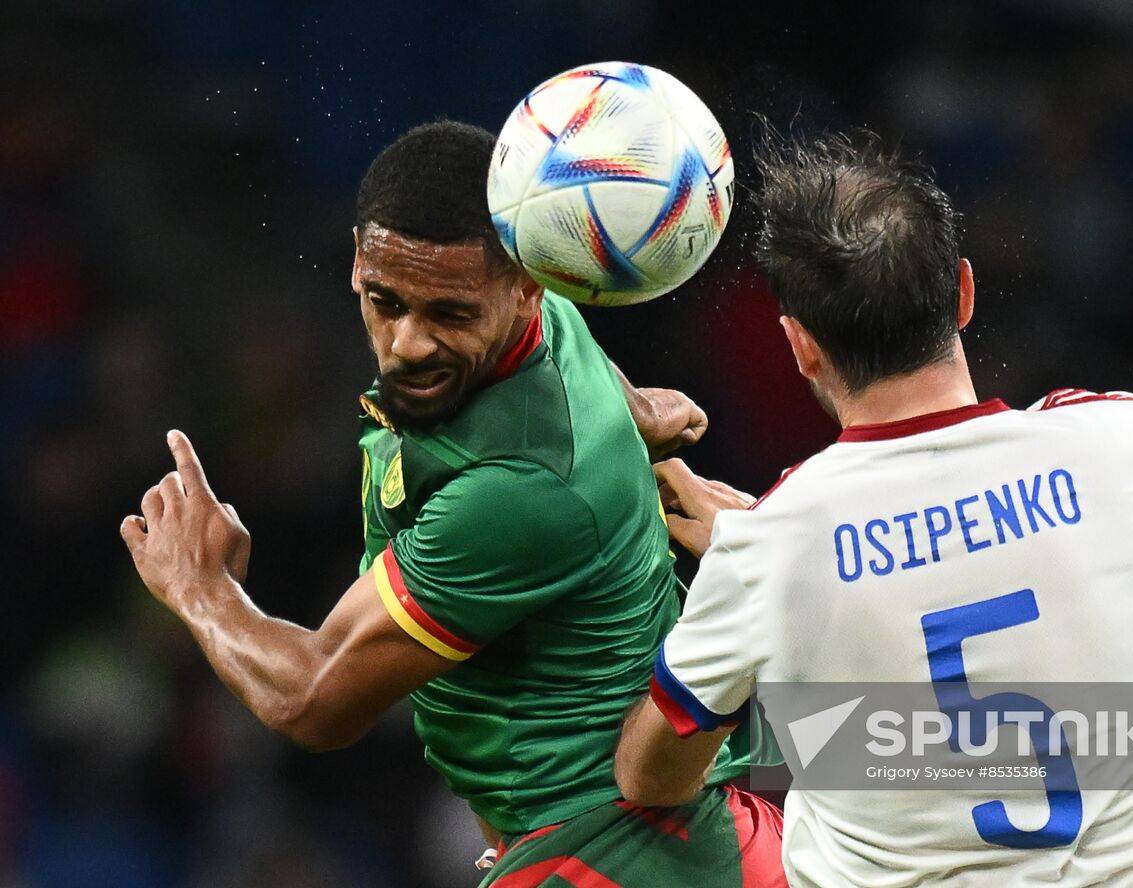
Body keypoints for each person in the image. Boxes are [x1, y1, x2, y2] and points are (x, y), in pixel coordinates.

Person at [121, 120, 784, 887]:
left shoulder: (516, 492)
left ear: (527, 286)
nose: (407, 343)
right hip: (670, 839)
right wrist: (637, 415)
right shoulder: (547, 322)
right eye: (384, 300)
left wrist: (201, 589)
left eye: (449, 315)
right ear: (356, 262)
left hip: (613, 857)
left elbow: (310, 700)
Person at [614, 131, 1133, 886]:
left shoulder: (776, 547)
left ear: (800, 346)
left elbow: (650, 778)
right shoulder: (1128, 439)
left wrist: (756, 579)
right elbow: (977, 538)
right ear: (963, 292)